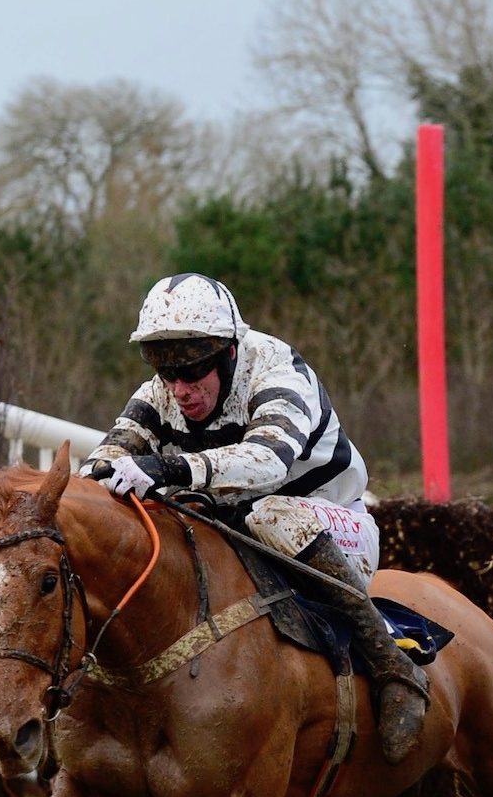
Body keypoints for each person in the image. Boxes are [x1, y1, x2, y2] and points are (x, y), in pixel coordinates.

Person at [79, 272, 428, 762]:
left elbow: (268, 461)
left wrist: (166, 468)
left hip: (329, 520)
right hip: (235, 522)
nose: (180, 389)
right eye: (165, 369)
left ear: (229, 352)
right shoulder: (160, 393)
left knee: (269, 512)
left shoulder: (278, 370)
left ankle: (393, 666)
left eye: (193, 369)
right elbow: (100, 465)